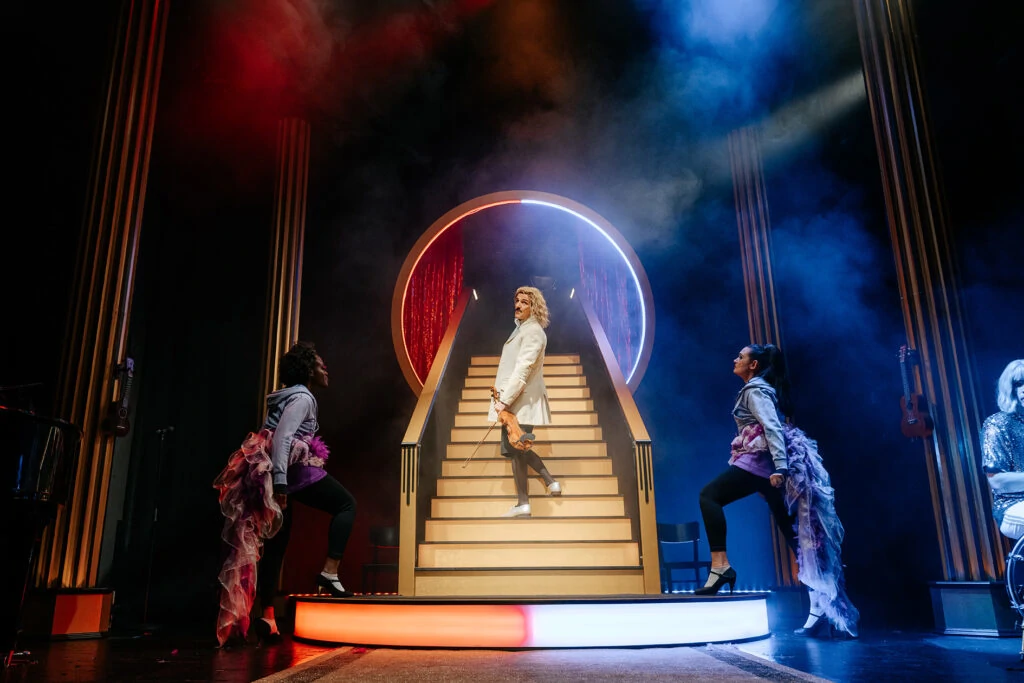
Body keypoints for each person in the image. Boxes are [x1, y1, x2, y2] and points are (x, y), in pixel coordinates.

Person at [696, 344, 858, 639]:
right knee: (796, 536)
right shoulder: (755, 388)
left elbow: (772, 428)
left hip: (761, 464)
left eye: (741, 357)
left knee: (709, 496)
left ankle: (720, 567)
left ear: (753, 365)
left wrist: (780, 468)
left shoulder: (755, 390)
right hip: (763, 467)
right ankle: (819, 604)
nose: (735, 359)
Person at [213, 342, 357, 646]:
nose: (325, 367)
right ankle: (330, 572)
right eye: (319, 363)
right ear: (307, 369)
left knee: (278, 542)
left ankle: (267, 616)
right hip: (289, 474)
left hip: (275, 475)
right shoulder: (303, 398)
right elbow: (282, 440)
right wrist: (280, 484)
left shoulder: (286, 397)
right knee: (346, 504)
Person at [490, 286, 561, 517]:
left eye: (524, 302)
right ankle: (545, 486)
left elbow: (523, 370)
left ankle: (526, 500)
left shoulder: (533, 332)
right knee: (517, 448)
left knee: (517, 446)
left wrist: (505, 401)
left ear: (534, 307)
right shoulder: (523, 330)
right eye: (517, 301)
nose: (518, 305)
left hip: (521, 400)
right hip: (517, 400)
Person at [982, 359, 1024, 539]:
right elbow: (997, 481)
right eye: (1019, 383)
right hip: (1012, 505)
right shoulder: (996, 424)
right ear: (1010, 389)